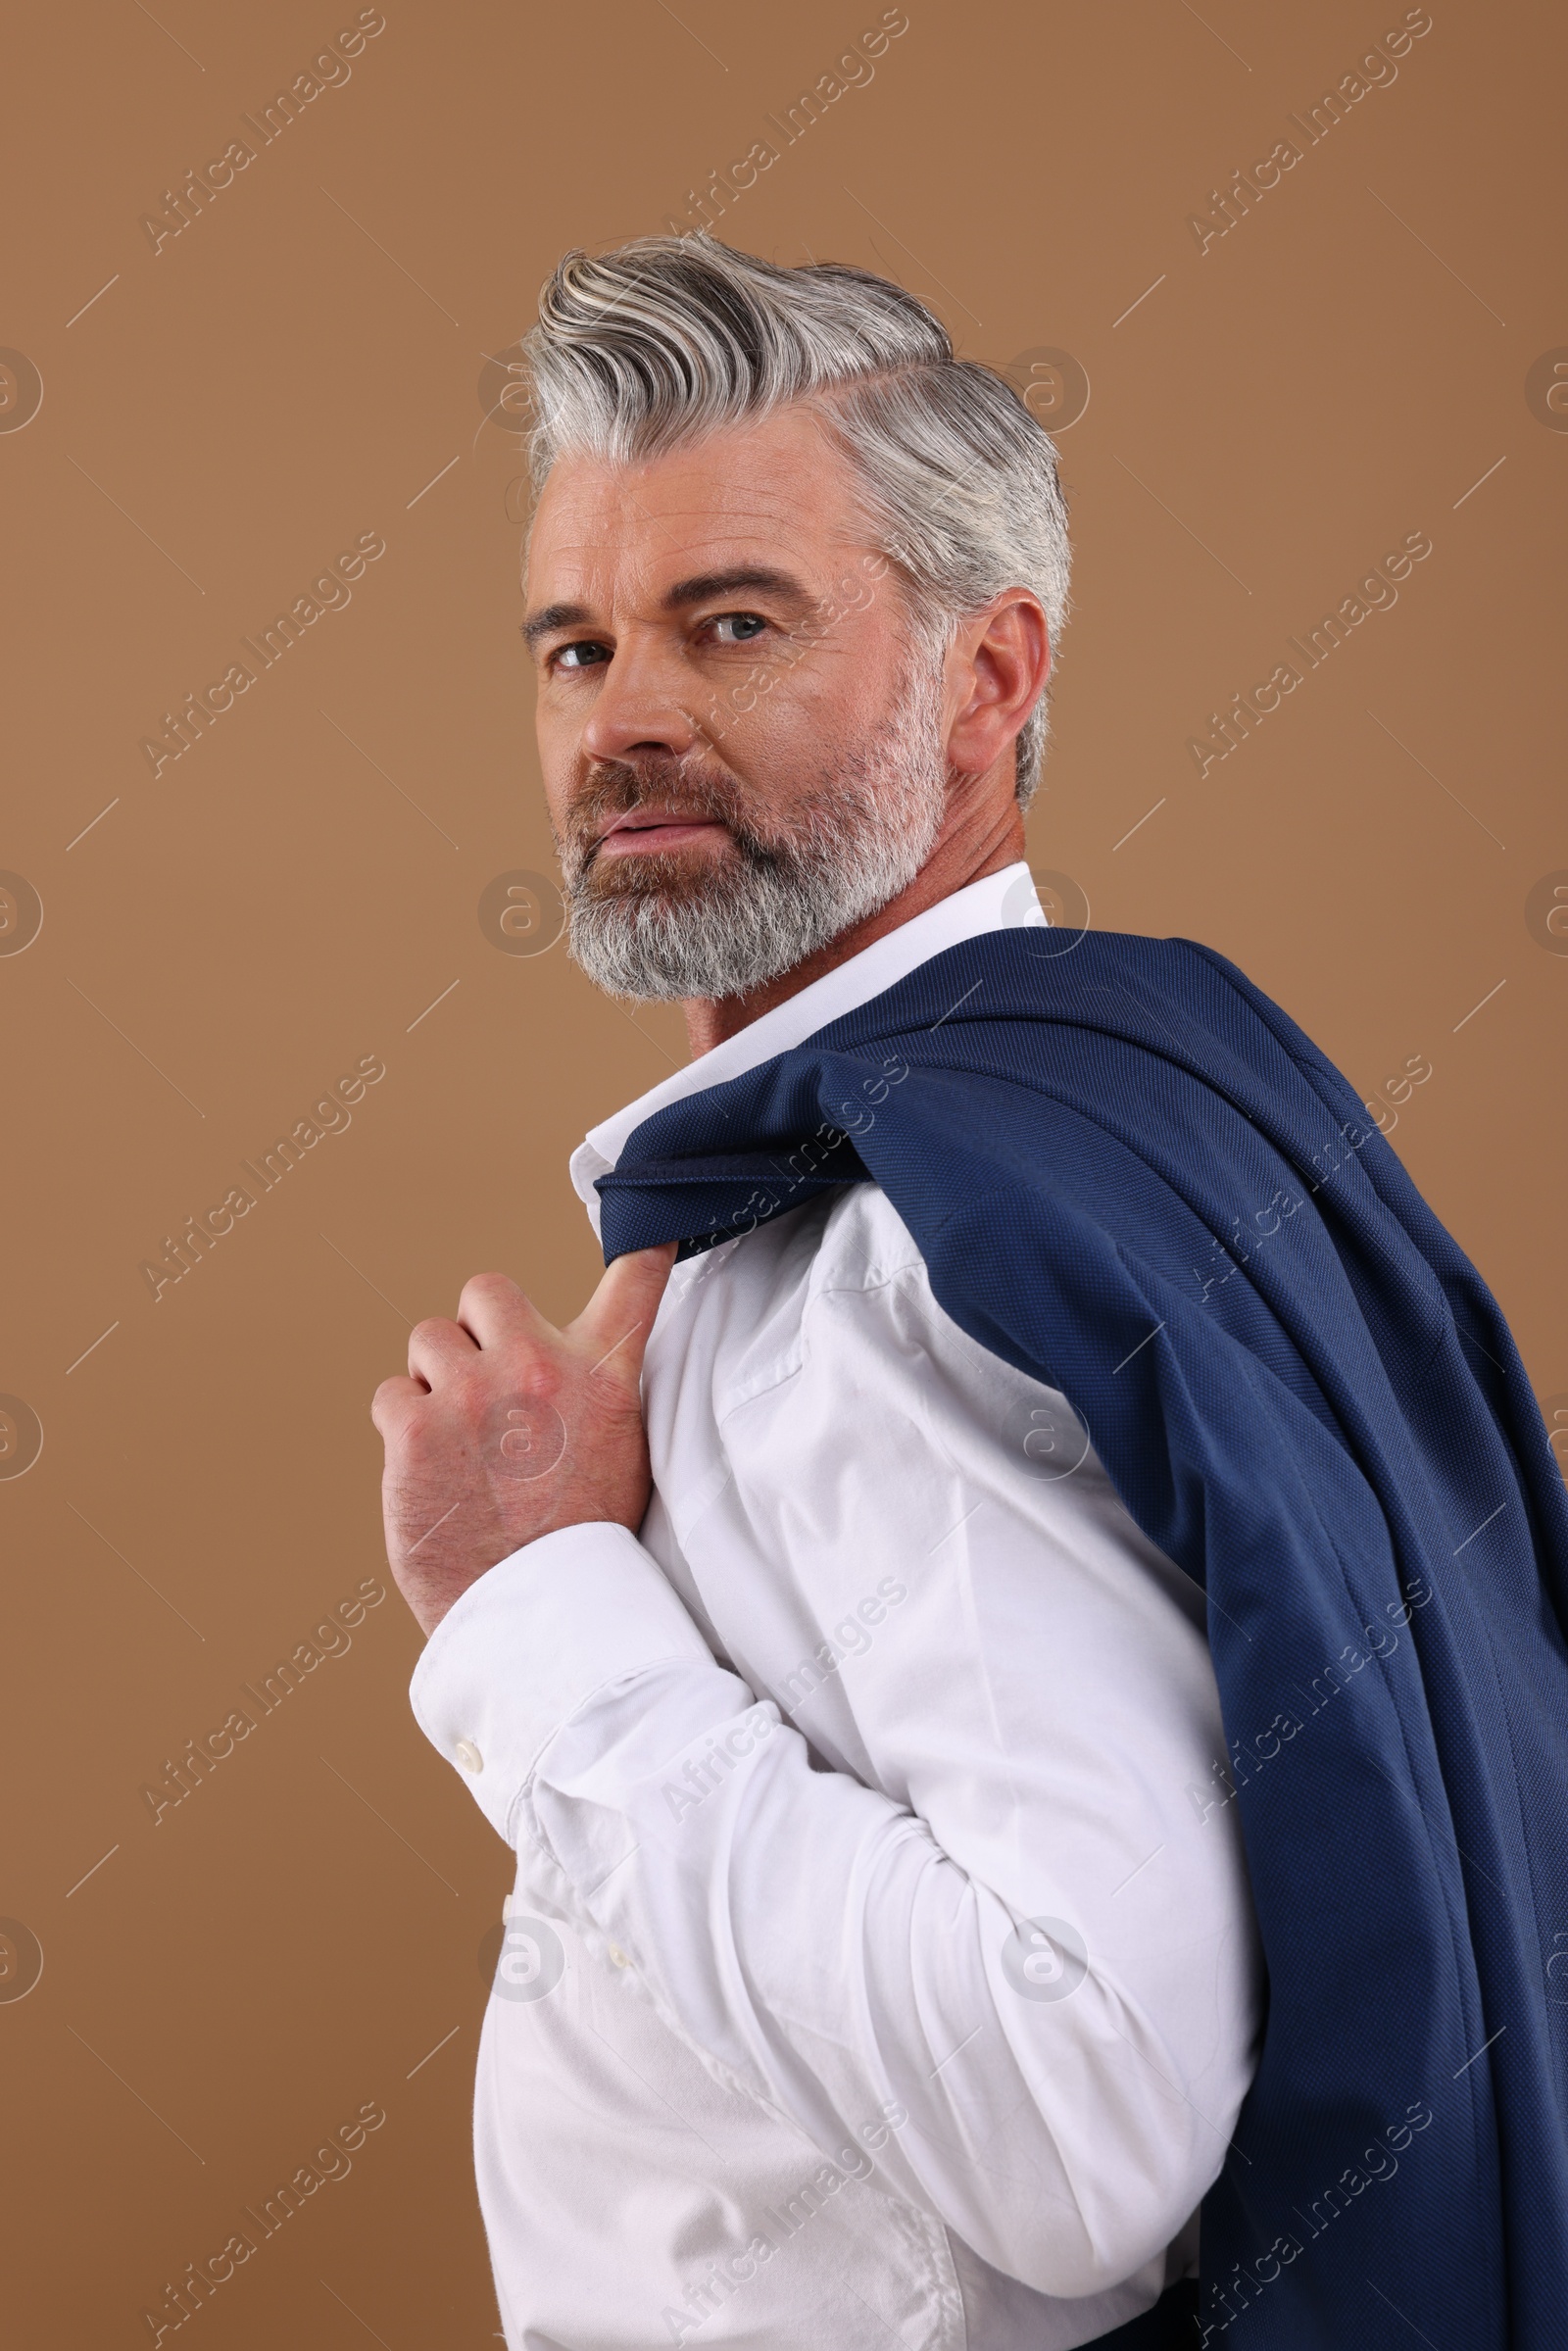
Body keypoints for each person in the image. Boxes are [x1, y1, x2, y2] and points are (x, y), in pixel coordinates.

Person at [370, 237, 1568, 2351]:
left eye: (727, 626)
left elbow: (1074, 2116)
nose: (622, 719)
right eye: (571, 648)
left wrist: (536, 1615)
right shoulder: (1157, 1081)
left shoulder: (890, 1247)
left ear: (988, 678)